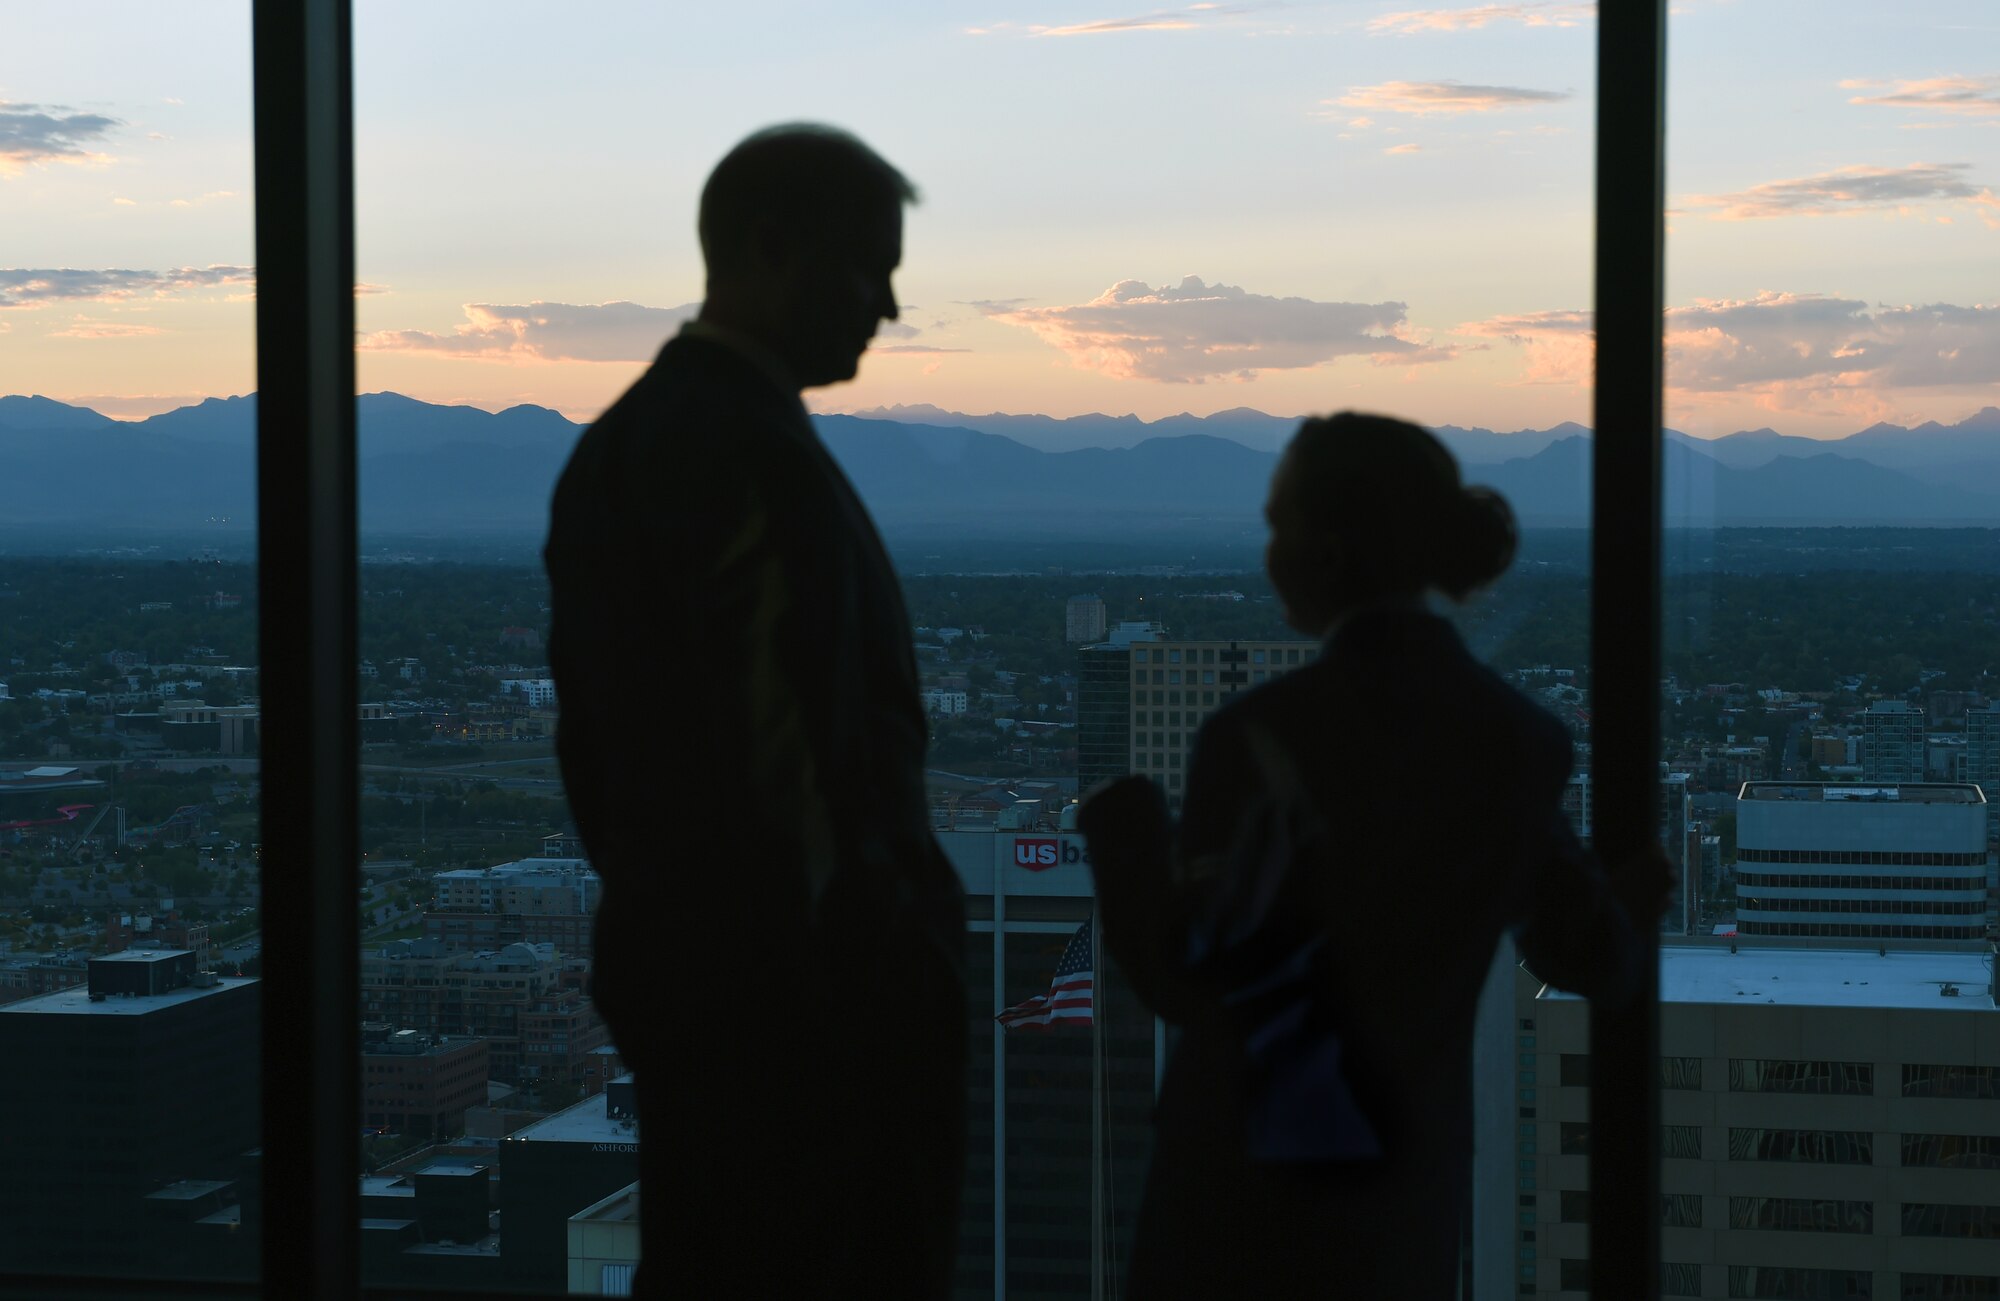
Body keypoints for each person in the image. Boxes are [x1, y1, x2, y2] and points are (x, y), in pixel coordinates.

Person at [1080, 412, 1668, 1298]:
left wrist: (1124, 831)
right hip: (1397, 1216)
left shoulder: (1260, 739)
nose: (1269, 550)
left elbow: (1186, 979)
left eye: (1280, 525)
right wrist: (1624, 902)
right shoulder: (1516, 742)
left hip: (1232, 1208)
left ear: (1330, 549)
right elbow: (1587, 952)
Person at [544, 125, 966, 1299]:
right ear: (772, 251)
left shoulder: (694, 434)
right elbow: (768, 752)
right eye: (867, 266)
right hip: (794, 1023)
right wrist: (862, 968)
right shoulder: (718, 447)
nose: (886, 305)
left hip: (748, 1001)